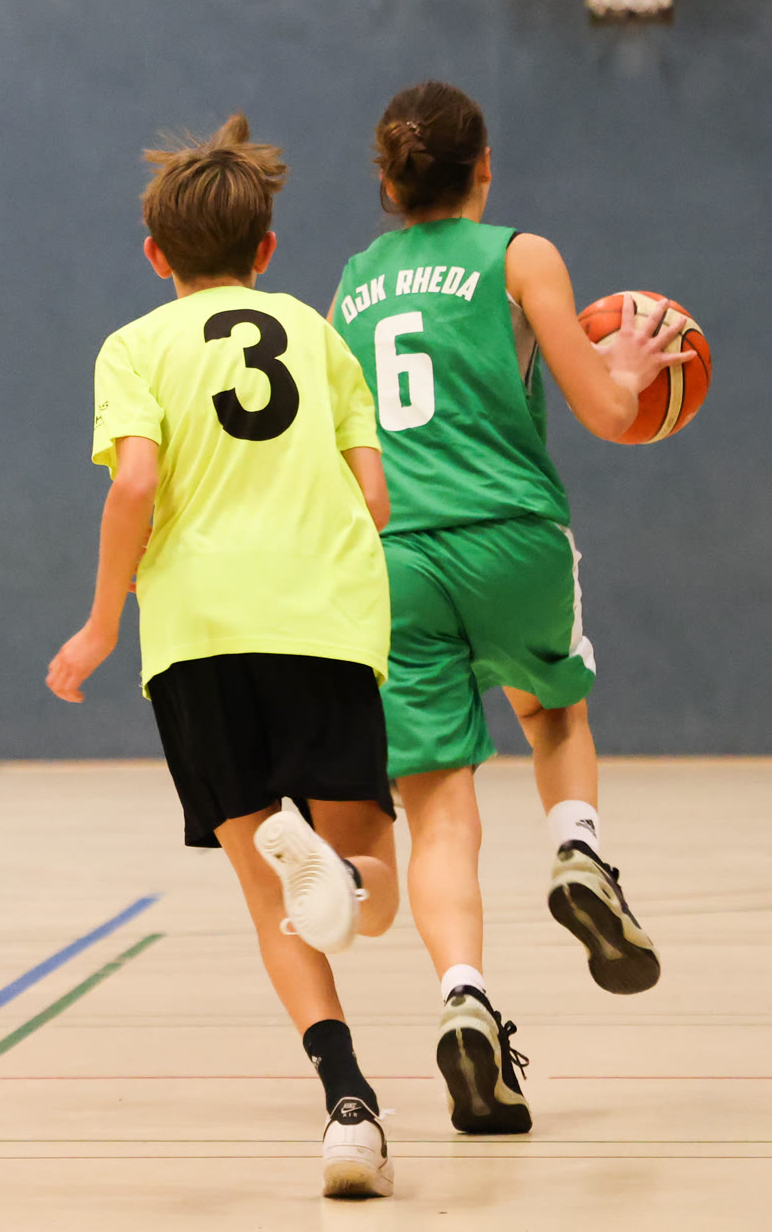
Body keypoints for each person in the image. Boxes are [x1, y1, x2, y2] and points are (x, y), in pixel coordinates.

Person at [47, 115, 401, 1198]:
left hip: (198, 635)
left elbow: (135, 484)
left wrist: (101, 623)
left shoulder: (132, 347)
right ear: (268, 249)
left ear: (155, 254)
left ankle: (349, 1109)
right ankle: (342, 870)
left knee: (269, 895)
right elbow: (374, 499)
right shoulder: (317, 334)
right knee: (376, 895)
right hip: (323, 620)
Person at [325, 80, 688, 1135]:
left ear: (387, 180)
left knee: (439, 806)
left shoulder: (352, 282)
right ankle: (578, 850)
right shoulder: (521, 256)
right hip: (511, 537)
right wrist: (628, 367)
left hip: (394, 557)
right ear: (484, 168)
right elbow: (609, 412)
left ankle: (464, 998)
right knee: (553, 709)